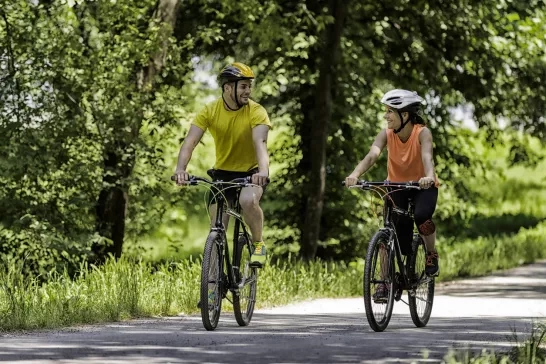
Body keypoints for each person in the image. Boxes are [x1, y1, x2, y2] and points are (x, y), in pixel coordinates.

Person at [173, 62, 271, 266]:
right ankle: (212, 291)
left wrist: (263, 171)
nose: (248, 91)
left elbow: (260, 142)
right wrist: (181, 169)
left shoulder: (256, 111)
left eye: (249, 86)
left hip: (250, 173)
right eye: (243, 86)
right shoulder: (210, 111)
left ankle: (259, 244)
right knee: (217, 229)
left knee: (247, 201)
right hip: (222, 174)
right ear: (228, 88)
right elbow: (189, 142)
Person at [345, 89, 440, 299]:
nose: (385, 116)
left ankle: (431, 253)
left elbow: (427, 158)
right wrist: (354, 174)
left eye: (390, 111)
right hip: (396, 186)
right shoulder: (386, 134)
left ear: (404, 115)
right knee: (390, 230)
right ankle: (384, 282)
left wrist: (429, 177)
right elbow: (372, 155)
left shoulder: (422, 133)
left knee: (422, 217)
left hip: (422, 186)